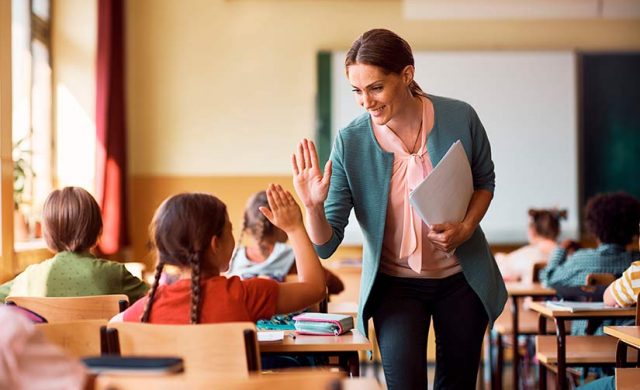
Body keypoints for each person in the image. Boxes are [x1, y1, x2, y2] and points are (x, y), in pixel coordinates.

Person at [291, 28, 507, 389]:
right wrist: (312, 208)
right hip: (396, 286)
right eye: (357, 91)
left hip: (461, 279)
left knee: (457, 384)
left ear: (406, 75)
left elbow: (485, 180)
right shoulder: (351, 141)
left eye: (376, 87)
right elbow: (326, 244)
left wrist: (467, 227)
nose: (366, 101)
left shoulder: (460, 116)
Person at [113, 184, 326, 324]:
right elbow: (316, 288)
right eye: (229, 230)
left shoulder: (145, 310)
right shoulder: (246, 295)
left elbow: (113, 326)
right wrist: (295, 227)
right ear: (215, 244)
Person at [0, 187, 148, 304]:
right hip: (100, 342)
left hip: (47, 342)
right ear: (98, 229)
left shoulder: (30, 278)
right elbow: (154, 300)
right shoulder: (116, 274)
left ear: (47, 233)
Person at [228, 190, 344, 295]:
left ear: (247, 226)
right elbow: (336, 285)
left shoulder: (233, 258)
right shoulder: (294, 256)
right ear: (279, 225)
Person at [540, 192, 640, 288]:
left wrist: (561, 250)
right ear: (634, 227)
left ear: (593, 227)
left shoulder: (580, 259)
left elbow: (548, 279)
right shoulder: (637, 263)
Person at [495, 208, 567, 282]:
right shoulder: (568, 254)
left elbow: (501, 272)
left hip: (531, 293)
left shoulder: (525, 255)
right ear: (558, 231)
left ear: (532, 231)